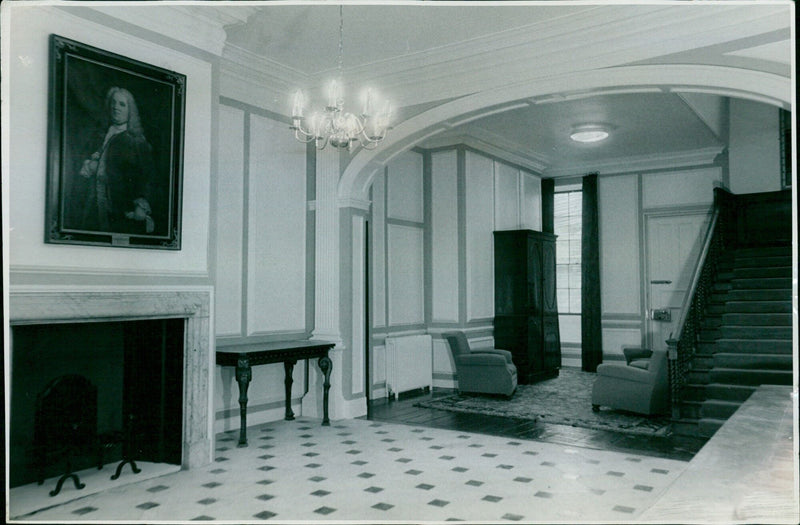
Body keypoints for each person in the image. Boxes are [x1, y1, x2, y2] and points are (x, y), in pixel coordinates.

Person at [79, 87, 156, 235]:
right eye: (113, 103)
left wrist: (142, 204)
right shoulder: (101, 134)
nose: (115, 107)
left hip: (122, 205)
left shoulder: (137, 141)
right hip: (94, 202)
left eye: (122, 104)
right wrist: (90, 165)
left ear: (130, 110)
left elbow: (148, 176)